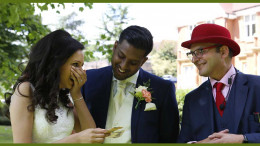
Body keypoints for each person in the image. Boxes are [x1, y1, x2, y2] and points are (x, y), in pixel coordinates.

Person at [5, 30, 107, 143]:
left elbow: (91, 134)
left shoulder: (63, 97)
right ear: (56, 63)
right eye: (75, 65)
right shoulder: (26, 90)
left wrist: (76, 93)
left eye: (81, 66)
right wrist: (76, 139)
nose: (81, 72)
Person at [81, 25, 179, 143]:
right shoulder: (89, 80)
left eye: (133, 62)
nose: (123, 66)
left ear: (143, 61)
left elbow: (170, 139)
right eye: (121, 56)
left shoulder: (163, 89)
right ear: (115, 47)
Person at [177, 23, 260, 143]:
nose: (194, 59)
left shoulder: (257, 87)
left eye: (200, 51)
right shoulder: (192, 99)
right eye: (192, 54)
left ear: (223, 52)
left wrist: (243, 139)